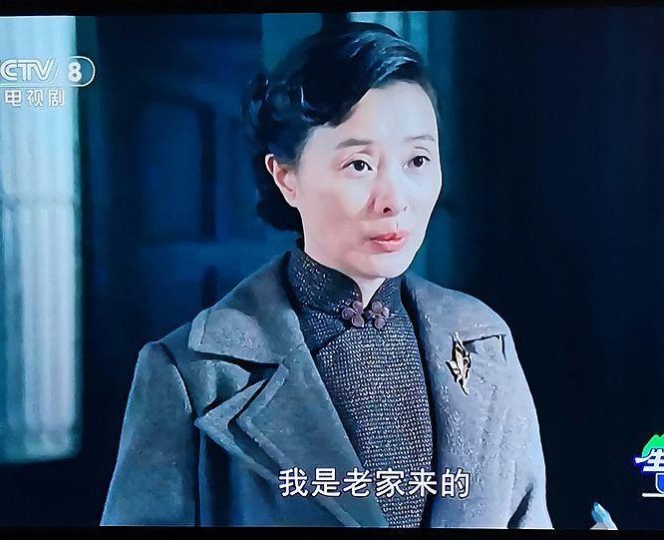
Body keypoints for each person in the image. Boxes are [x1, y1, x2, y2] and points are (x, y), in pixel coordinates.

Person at [100, 21, 552, 528]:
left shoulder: (482, 340)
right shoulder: (190, 373)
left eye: (418, 159)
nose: (395, 199)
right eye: (359, 165)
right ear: (285, 177)